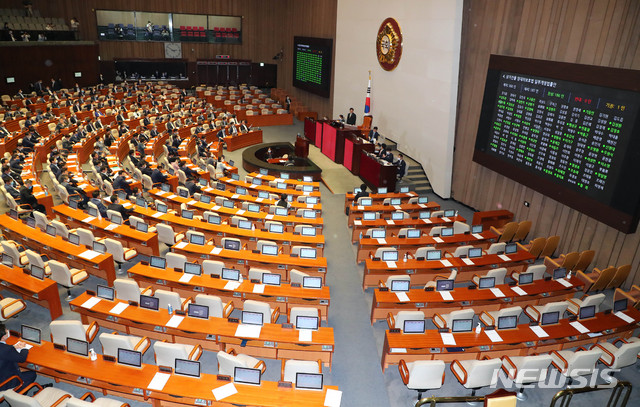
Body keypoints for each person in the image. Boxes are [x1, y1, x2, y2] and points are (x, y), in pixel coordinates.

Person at [0, 323, 37, 391]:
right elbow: (22, 358)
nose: (8, 330)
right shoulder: (7, 349)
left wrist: (13, 347)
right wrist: (24, 348)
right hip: (5, 383)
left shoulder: (6, 349)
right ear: (3, 337)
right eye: (6, 331)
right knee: (32, 374)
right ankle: (19, 393)